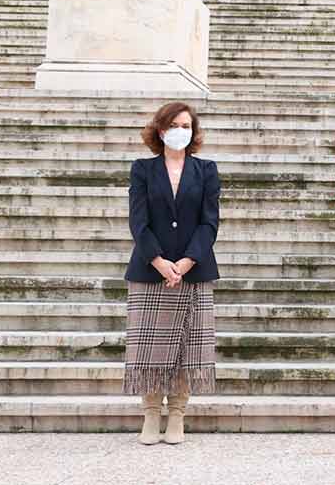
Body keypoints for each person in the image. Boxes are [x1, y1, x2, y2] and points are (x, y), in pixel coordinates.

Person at [125, 102, 220, 445]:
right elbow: (138, 220)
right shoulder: (142, 169)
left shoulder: (207, 170)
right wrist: (160, 261)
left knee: (186, 346)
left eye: (187, 125)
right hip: (151, 271)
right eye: (175, 124)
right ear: (161, 130)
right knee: (150, 348)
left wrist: (186, 262)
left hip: (193, 271)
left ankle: (177, 414)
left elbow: (210, 223)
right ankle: (151, 414)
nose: (182, 130)